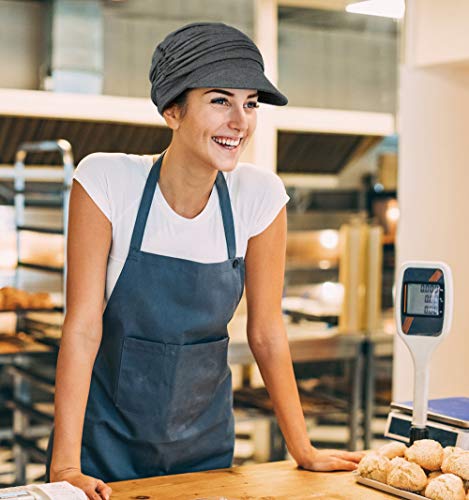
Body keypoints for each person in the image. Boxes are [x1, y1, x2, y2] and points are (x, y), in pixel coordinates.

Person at [47, 22, 363, 500]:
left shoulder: (259, 196)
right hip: (102, 446)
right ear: (173, 111)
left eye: (250, 103)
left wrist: (304, 448)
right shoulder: (107, 182)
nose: (240, 121)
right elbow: (83, 327)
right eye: (220, 100)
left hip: (205, 448)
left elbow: (266, 331)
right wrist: (65, 466)